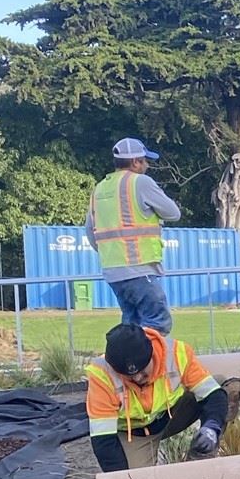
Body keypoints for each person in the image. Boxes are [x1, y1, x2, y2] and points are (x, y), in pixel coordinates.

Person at [85, 323, 229, 472]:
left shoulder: (176, 354)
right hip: (135, 434)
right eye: (129, 375)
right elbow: (103, 440)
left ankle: (200, 459)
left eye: (142, 370)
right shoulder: (101, 375)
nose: (138, 377)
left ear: (152, 354)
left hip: (172, 416)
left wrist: (211, 427)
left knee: (224, 386)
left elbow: (214, 395)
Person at [86, 137, 181, 335]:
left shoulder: (100, 188)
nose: (147, 165)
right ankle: (155, 365)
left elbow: (90, 232)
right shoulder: (140, 182)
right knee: (157, 324)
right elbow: (173, 213)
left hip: (112, 271)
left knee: (132, 327)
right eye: (145, 161)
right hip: (139, 268)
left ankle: (128, 365)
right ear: (136, 162)